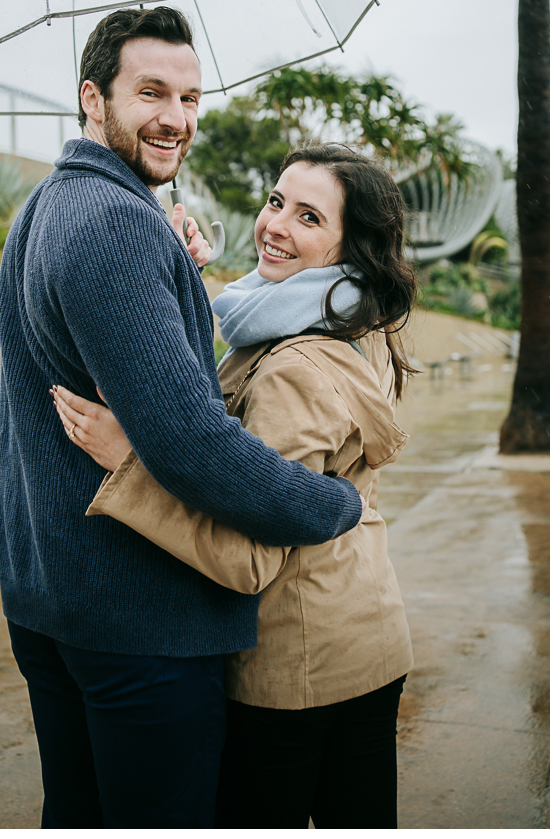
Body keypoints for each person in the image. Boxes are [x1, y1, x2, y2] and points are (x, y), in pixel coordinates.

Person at [0, 7, 365, 829]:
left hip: (53, 597)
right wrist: (336, 505)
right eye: (152, 92)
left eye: (192, 98)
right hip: (137, 621)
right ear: (94, 98)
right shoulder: (117, 223)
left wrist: (177, 272)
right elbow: (193, 444)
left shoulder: (49, 206)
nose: (177, 118)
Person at [52, 141, 416, 829]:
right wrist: (178, 274)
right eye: (277, 201)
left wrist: (132, 466)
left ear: (348, 249)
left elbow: (251, 558)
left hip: (299, 662)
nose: (275, 225)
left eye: (310, 218)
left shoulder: (292, 368)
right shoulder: (346, 318)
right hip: (364, 634)